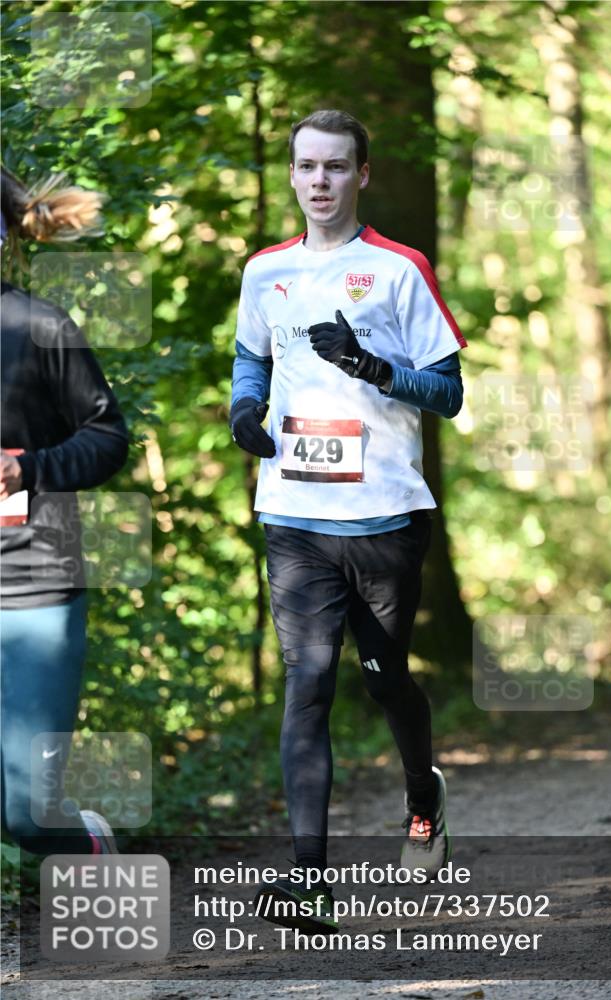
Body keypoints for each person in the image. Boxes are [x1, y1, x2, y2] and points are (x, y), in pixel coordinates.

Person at [230, 110, 466, 933]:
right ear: (292, 174)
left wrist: (369, 365)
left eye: (335, 166)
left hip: (383, 516)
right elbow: (251, 354)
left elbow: (448, 391)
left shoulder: (399, 269)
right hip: (293, 512)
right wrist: (244, 408)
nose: (320, 181)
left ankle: (422, 795)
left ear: (361, 174)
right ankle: (308, 882)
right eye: (307, 166)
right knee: (308, 684)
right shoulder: (265, 270)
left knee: (383, 677)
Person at [0, 165, 129, 856]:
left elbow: (108, 438)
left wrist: (28, 468)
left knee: (28, 816)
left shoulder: (39, 326)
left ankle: (89, 846)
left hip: (32, 585)